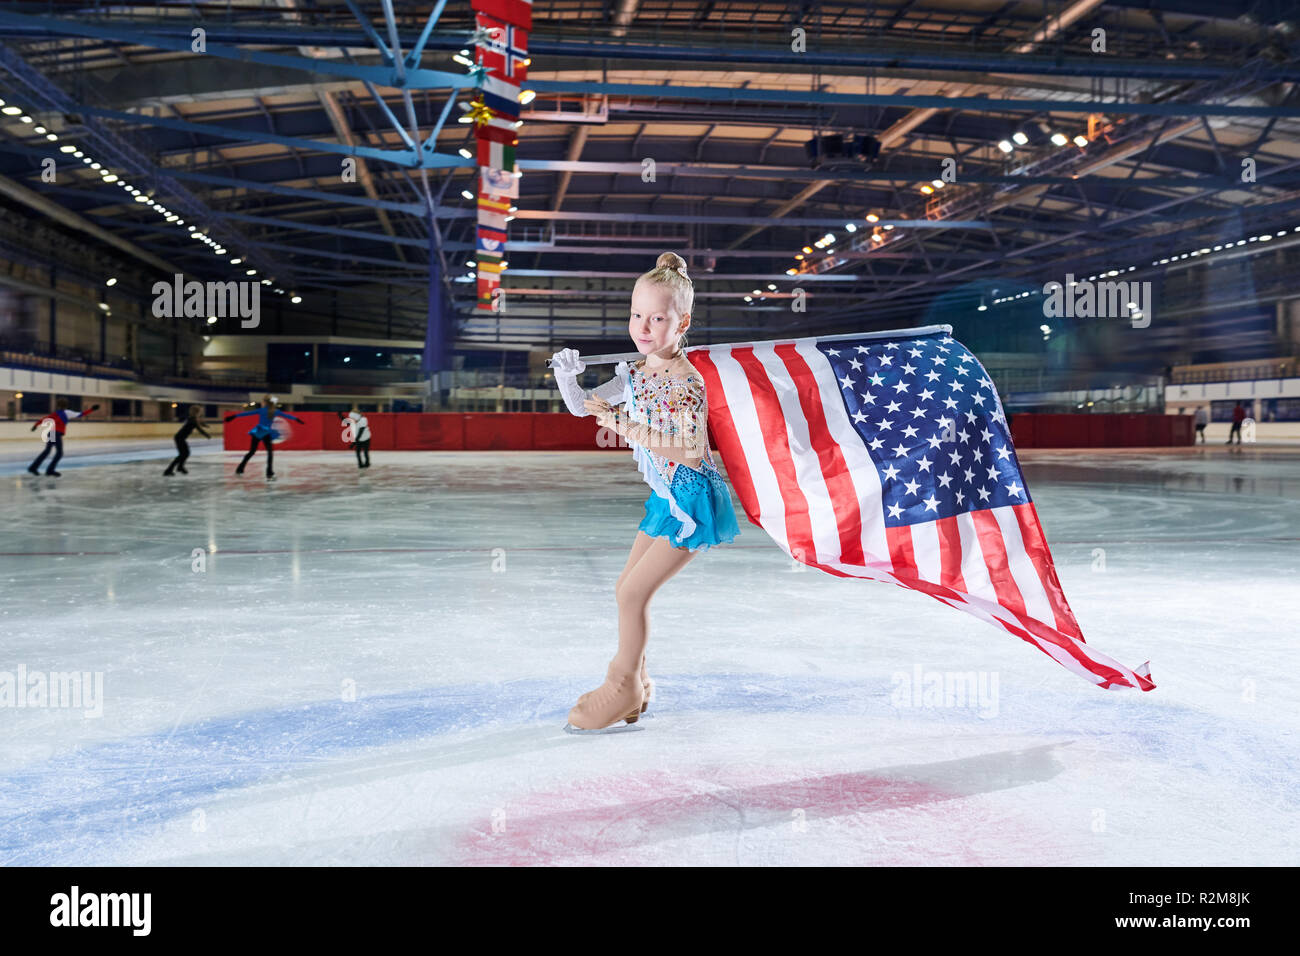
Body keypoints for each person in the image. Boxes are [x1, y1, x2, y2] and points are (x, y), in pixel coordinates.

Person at [551, 251, 740, 734]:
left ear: (683, 323)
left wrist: (622, 424)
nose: (644, 326)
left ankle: (623, 685)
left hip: (692, 500)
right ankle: (639, 683)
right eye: (638, 314)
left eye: (658, 317)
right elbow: (580, 409)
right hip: (665, 496)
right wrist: (566, 375)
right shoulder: (634, 371)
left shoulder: (685, 381)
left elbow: (692, 450)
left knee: (633, 594)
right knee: (625, 591)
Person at [225, 395, 304, 480]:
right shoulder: (275, 411)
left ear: (265, 402)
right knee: (269, 453)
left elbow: (247, 413)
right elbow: (287, 416)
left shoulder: (261, 410)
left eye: (262, 401)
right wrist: (297, 419)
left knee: (252, 451)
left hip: (258, 431)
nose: (261, 403)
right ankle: (269, 472)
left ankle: (240, 469)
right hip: (266, 432)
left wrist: (233, 416)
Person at [27, 399, 99, 477]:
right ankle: (49, 470)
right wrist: (92, 409)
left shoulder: (55, 413)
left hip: (51, 433)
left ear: (58, 405)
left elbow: (44, 419)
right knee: (59, 453)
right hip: (56, 434)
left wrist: (35, 425)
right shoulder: (67, 413)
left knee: (47, 451)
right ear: (66, 405)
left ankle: (33, 467)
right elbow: (81, 414)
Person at [164, 405, 212, 476]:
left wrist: (205, 425)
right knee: (183, 454)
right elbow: (199, 428)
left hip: (180, 438)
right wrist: (207, 435)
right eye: (200, 412)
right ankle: (169, 470)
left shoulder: (192, 418)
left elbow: (199, 423)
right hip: (180, 438)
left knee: (185, 454)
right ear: (197, 412)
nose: (201, 413)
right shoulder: (193, 420)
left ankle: (179, 467)